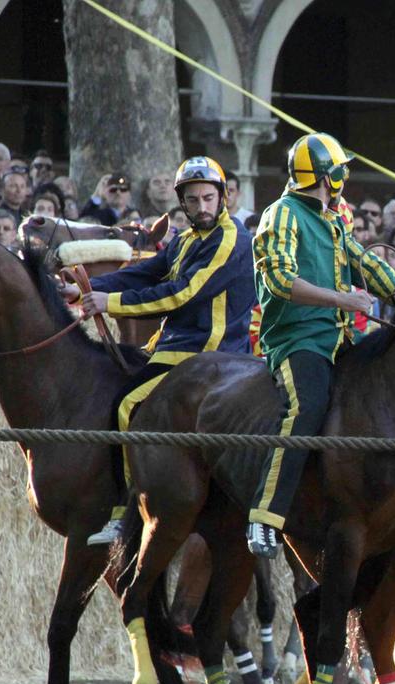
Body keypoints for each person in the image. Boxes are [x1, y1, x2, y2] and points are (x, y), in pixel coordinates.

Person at [68, 156, 258, 545]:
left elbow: (181, 294)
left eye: (208, 198)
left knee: (125, 404)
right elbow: (145, 273)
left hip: (208, 354)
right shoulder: (186, 240)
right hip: (173, 347)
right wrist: (87, 289)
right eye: (193, 200)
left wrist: (109, 303)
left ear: (222, 197)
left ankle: (123, 513)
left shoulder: (232, 239)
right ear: (182, 203)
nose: (202, 207)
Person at [245, 133, 395, 558]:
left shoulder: (332, 219)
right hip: (295, 339)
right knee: (307, 407)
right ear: (327, 177)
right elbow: (279, 281)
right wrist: (342, 300)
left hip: (341, 338)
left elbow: (360, 260)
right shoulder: (281, 213)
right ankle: (265, 516)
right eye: (340, 172)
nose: (344, 179)